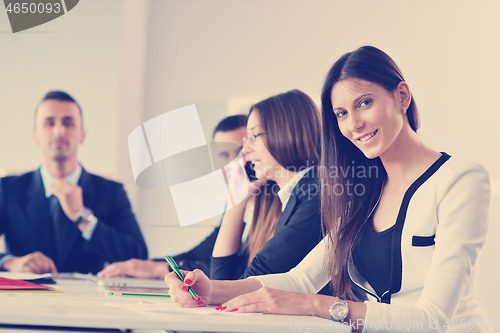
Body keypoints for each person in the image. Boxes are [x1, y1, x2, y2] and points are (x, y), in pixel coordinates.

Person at [165, 46, 491, 333]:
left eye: (364, 103)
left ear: (402, 96)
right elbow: (300, 279)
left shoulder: (461, 180)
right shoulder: (361, 188)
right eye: (341, 113)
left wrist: (316, 306)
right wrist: (211, 291)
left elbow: (432, 320)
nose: (353, 124)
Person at [0, 90, 148, 274]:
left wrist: (83, 217)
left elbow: (139, 256)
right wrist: (9, 262)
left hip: (89, 301)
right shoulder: (7, 189)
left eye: (68, 123)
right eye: (49, 123)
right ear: (35, 136)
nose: (59, 130)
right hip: (24, 299)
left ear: (82, 135)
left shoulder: (111, 191)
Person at [97, 114, 249, 278]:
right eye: (224, 155)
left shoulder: (270, 201)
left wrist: (158, 270)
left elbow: (235, 272)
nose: (234, 163)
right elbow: (202, 253)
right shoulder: (235, 200)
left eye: (241, 152)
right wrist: (147, 265)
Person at [209, 89, 323, 281]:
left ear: (285, 133)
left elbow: (236, 284)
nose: (245, 150)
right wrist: (238, 198)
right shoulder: (296, 193)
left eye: (254, 136)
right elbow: (225, 280)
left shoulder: (316, 194)